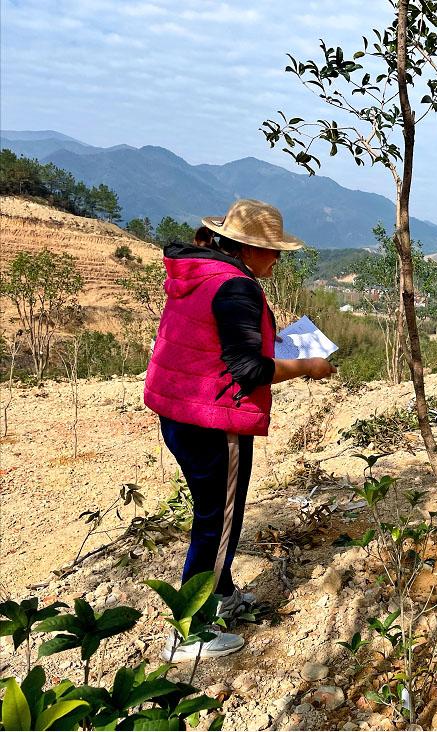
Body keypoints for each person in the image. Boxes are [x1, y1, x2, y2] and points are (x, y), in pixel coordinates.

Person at [144, 199, 336, 662]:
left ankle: (222, 593)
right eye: (273, 251)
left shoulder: (200, 274)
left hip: (182, 410)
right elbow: (249, 370)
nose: (277, 258)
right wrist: (308, 365)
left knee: (214, 513)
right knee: (217, 521)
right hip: (213, 421)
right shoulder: (236, 288)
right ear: (248, 249)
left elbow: (213, 340)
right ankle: (191, 629)